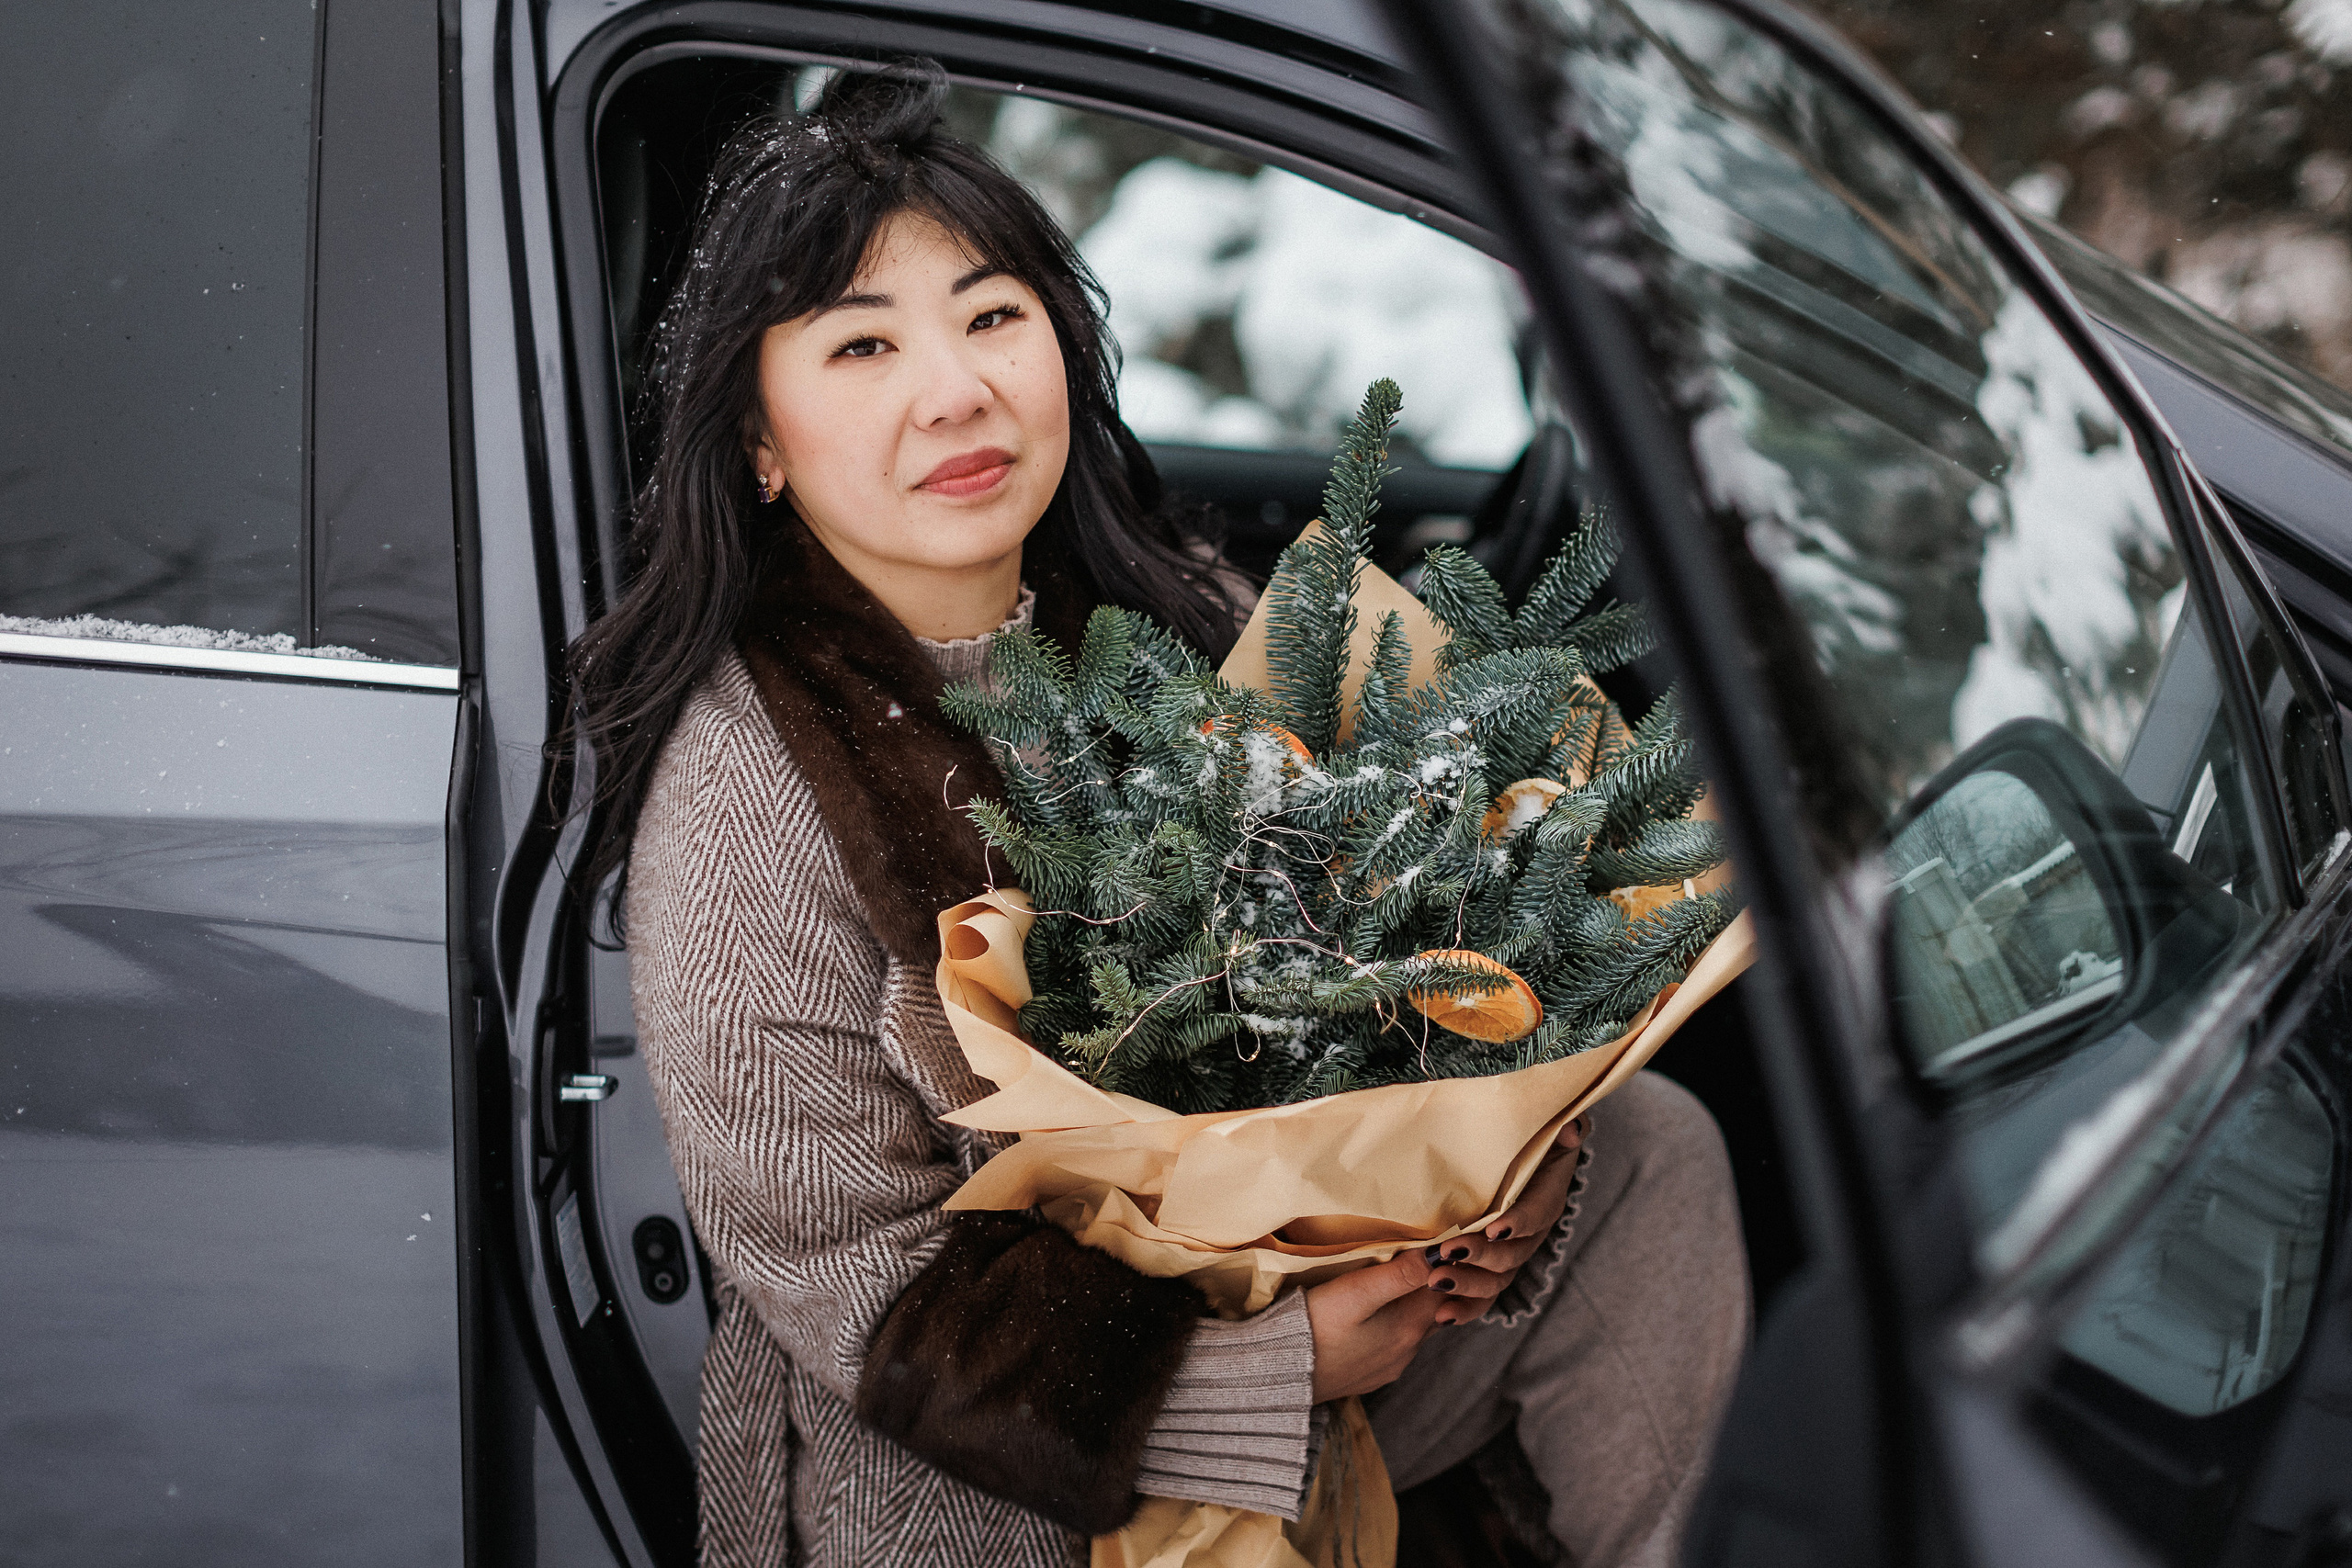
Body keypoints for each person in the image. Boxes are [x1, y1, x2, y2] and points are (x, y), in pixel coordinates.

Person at [563, 62, 1749, 1568]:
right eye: (864, 345)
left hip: (1326, 1303)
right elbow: (857, 1285)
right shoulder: (750, 789)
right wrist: (1273, 1369)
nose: (958, 389)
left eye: (994, 316)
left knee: (1647, 1155)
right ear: (758, 442)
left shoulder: (1168, 613)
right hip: (997, 1478)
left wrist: (1510, 1190)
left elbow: (1407, 936)